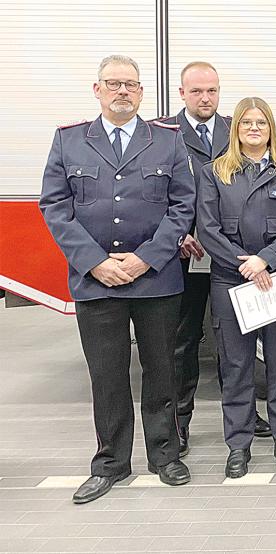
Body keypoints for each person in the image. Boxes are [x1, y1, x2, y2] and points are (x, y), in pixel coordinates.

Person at [39, 55, 195, 503]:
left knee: (161, 370)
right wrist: (93, 262)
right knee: (107, 376)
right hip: (96, 281)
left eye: (130, 84)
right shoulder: (69, 141)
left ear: (142, 92)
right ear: (97, 89)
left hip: (156, 280)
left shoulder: (167, 141)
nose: (122, 91)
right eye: (113, 84)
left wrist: (147, 259)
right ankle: (110, 462)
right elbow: (55, 206)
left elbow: (183, 205)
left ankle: (165, 455)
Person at [197, 97, 276, 478]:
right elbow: (208, 229)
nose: (254, 129)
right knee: (236, 367)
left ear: (270, 130)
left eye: (260, 122)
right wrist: (244, 264)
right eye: (246, 123)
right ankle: (239, 445)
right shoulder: (215, 172)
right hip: (231, 282)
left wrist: (266, 260)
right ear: (236, 130)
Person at [161, 61, 272, 453]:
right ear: (182, 94)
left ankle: (243, 415)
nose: (205, 98)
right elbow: (156, 191)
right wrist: (178, 235)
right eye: (196, 91)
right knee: (185, 340)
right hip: (185, 256)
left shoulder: (236, 128)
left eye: (211, 91)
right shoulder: (164, 134)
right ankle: (180, 423)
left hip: (232, 257)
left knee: (238, 340)